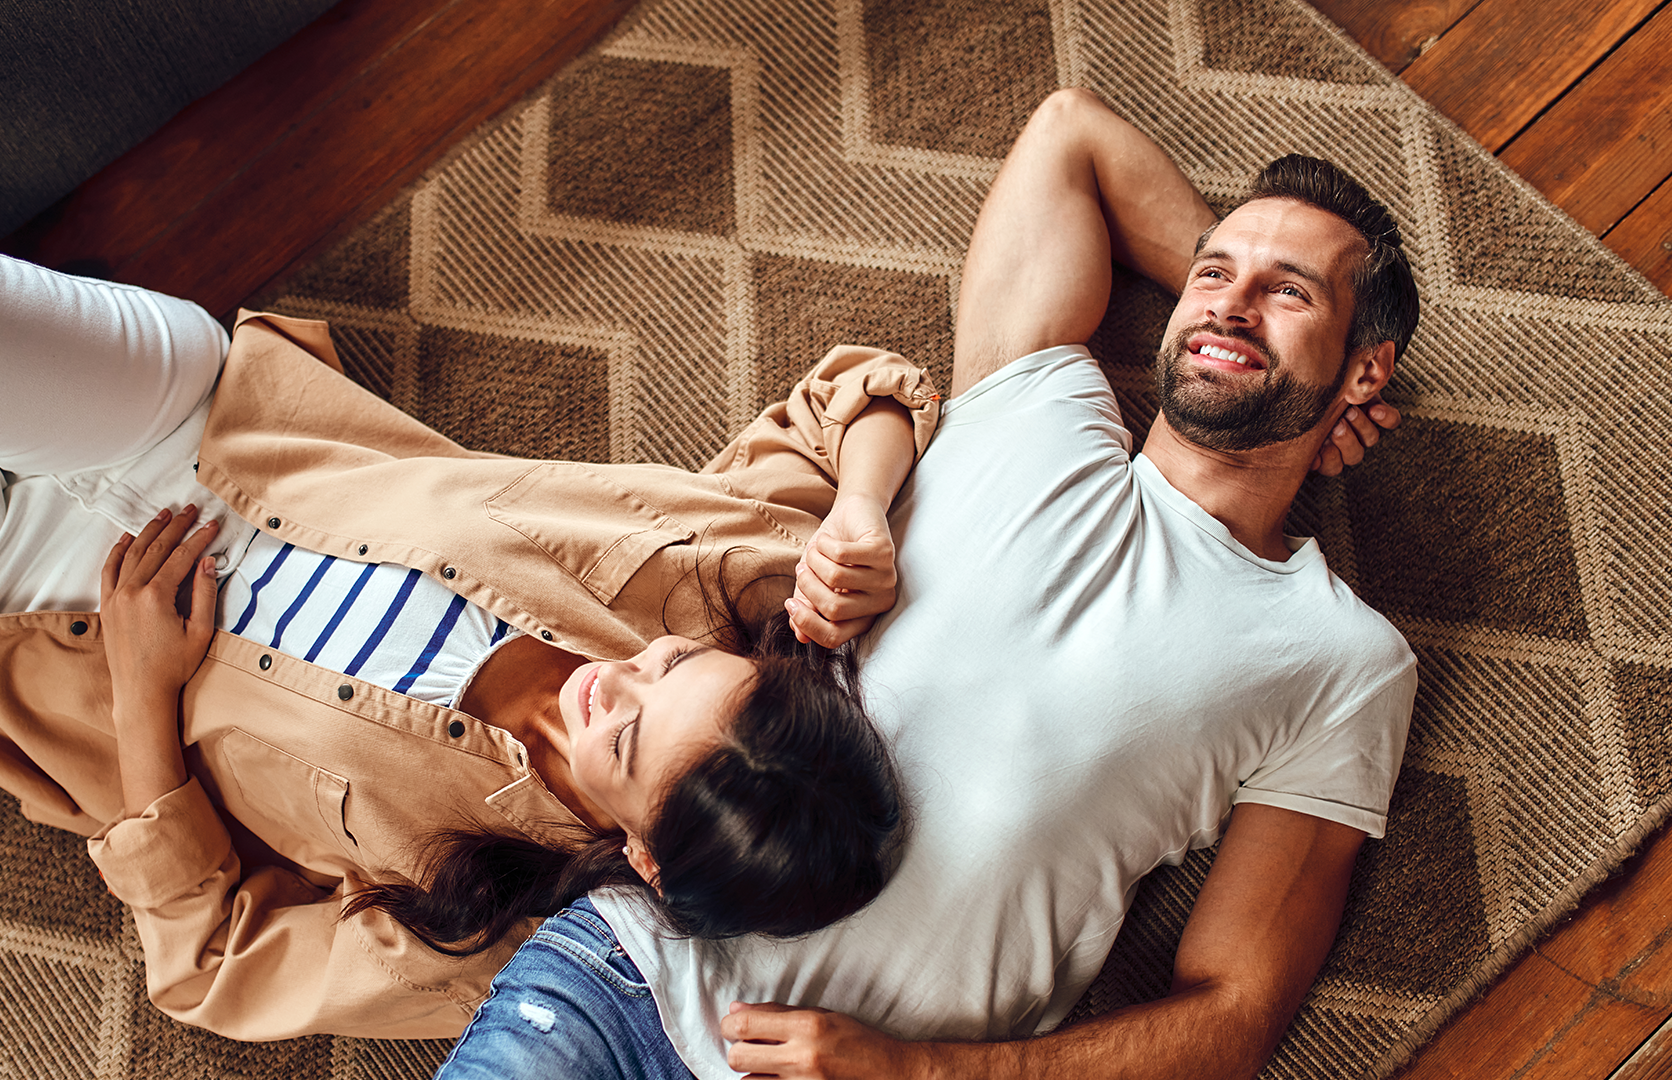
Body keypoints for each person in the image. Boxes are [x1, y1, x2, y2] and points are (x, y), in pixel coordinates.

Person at [0, 110, 931, 1042]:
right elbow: (852, 397)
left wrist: (141, 698)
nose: (608, 685)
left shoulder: (481, 938)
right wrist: (865, 514)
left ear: (646, 859)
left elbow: (216, 968)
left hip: (19, 612)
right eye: (668, 668)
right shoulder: (719, 585)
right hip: (200, 434)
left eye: (624, 742)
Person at [433, 87, 1415, 1080]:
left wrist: (923, 1071)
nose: (1229, 301)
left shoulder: (1342, 661)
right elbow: (1068, 133)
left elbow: (1234, 1018)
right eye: (1213, 271)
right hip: (625, 987)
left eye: (1290, 291)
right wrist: (1252, 325)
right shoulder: (1041, 394)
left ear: (1369, 374)